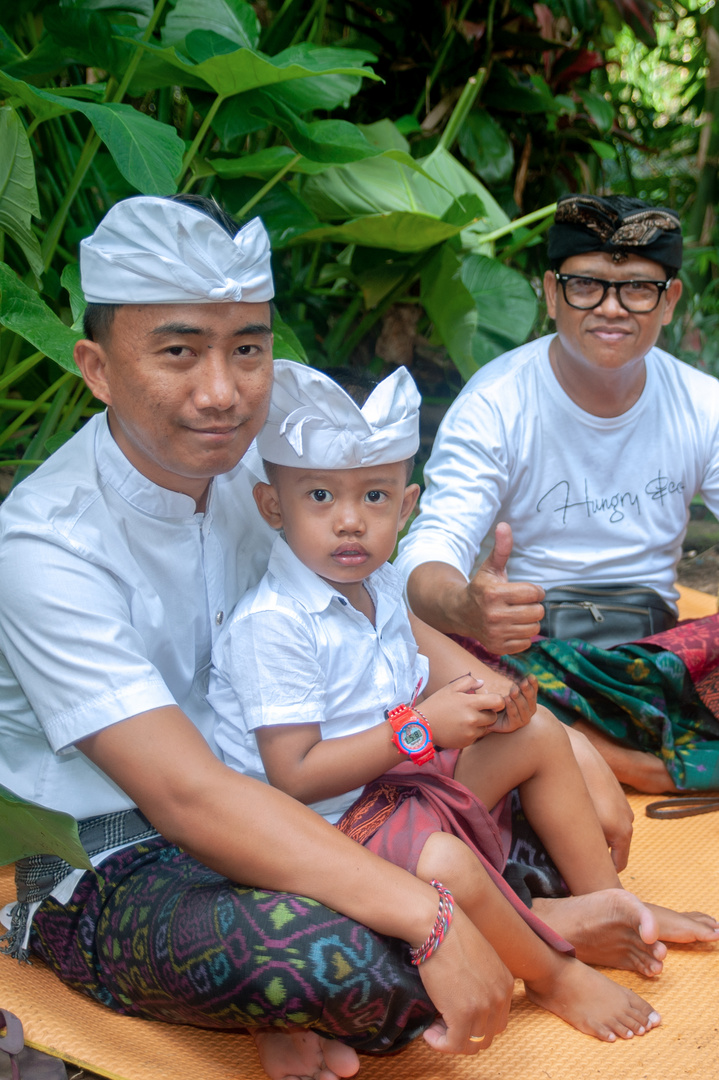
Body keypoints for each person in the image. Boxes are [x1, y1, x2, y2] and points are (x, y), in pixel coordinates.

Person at [0, 194, 710, 1080]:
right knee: (329, 963)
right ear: (98, 369)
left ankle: (499, 914)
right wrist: (429, 916)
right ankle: (533, 924)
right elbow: (186, 799)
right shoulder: (48, 543)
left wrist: (560, 743)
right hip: (126, 852)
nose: (222, 391)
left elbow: (378, 603)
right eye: (179, 351)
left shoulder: (263, 468)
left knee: (539, 787)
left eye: (248, 350)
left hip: (315, 794)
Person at [210, 358, 711, 1044]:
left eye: (375, 499)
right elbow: (293, 774)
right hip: (324, 825)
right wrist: (423, 729)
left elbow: (423, 676)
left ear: (407, 505)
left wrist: (493, 701)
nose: (350, 522)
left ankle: (606, 903)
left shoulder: (378, 583)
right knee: (443, 859)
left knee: (534, 736)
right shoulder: (274, 623)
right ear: (274, 506)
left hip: (391, 782)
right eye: (320, 497)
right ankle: (551, 972)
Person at [396, 193, 719, 796]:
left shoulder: (704, 404)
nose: (612, 309)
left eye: (638, 290)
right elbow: (426, 552)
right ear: (551, 293)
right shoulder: (496, 404)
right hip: (527, 648)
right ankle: (636, 761)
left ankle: (583, 749)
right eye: (586, 286)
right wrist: (469, 608)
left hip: (657, 656)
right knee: (416, 635)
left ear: (669, 300)